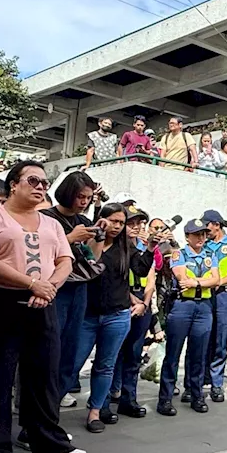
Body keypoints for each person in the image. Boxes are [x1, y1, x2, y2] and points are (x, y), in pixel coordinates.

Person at [0, 160, 87, 453]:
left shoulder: (52, 224)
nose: (40, 187)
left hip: (43, 301)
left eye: (44, 183)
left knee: (44, 376)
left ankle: (48, 445)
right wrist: (31, 283)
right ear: (14, 184)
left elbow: (65, 260)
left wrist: (46, 288)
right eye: (33, 180)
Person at [72, 204, 134, 434]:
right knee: (71, 364)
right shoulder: (88, 238)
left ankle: (95, 411)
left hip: (117, 315)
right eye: (113, 221)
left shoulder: (127, 247)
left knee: (105, 366)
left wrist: (150, 248)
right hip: (87, 315)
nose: (117, 226)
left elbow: (140, 268)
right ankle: (49, 411)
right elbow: (92, 261)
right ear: (102, 218)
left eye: (121, 222)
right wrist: (98, 233)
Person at [42, 171, 100, 405]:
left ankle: (55, 402)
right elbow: (40, 253)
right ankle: (38, 410)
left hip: (79, 288)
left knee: (70, 349)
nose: (84, 202)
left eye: (87, 198)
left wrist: (98, 235)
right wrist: (70, 237)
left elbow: (93, 259)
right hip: (55, 287)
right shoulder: (46, 217)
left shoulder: (84, 221)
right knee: (49, 348)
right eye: (80, 197)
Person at [158, 218, 219, 416]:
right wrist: (204, 281)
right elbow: (182, 278)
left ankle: (196, 394)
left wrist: (197, 283)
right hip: (182, 306)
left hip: (204, 307)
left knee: (198, 355)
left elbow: (216, 279)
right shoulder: (179, 254)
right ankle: (165, 399)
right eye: (196, 234)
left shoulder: (211, 254)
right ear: (187, 237)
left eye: (203, 234)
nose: (201, 238)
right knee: (173, 354)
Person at [111, 209, 154, 419]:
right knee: (111, 355)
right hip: (120, 302)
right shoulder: (114, 246)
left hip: (141, 303)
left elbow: (148, 277)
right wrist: (130, 300)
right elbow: (111, 278)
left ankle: (129, 399)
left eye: (140, 223)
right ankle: (104, 401)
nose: (136, 227)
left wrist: (144, 304)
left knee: (134, 356)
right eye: (132, 223)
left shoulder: (139, 248)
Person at [197, 210, 227, 404]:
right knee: (201, 337)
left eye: (207, 225)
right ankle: (198, 381)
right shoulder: (203, 245)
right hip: (204, 296)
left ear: (216, 224)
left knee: (220, 339)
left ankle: (216, 383)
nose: (205, 230)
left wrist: (219, 281)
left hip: (223, 295)